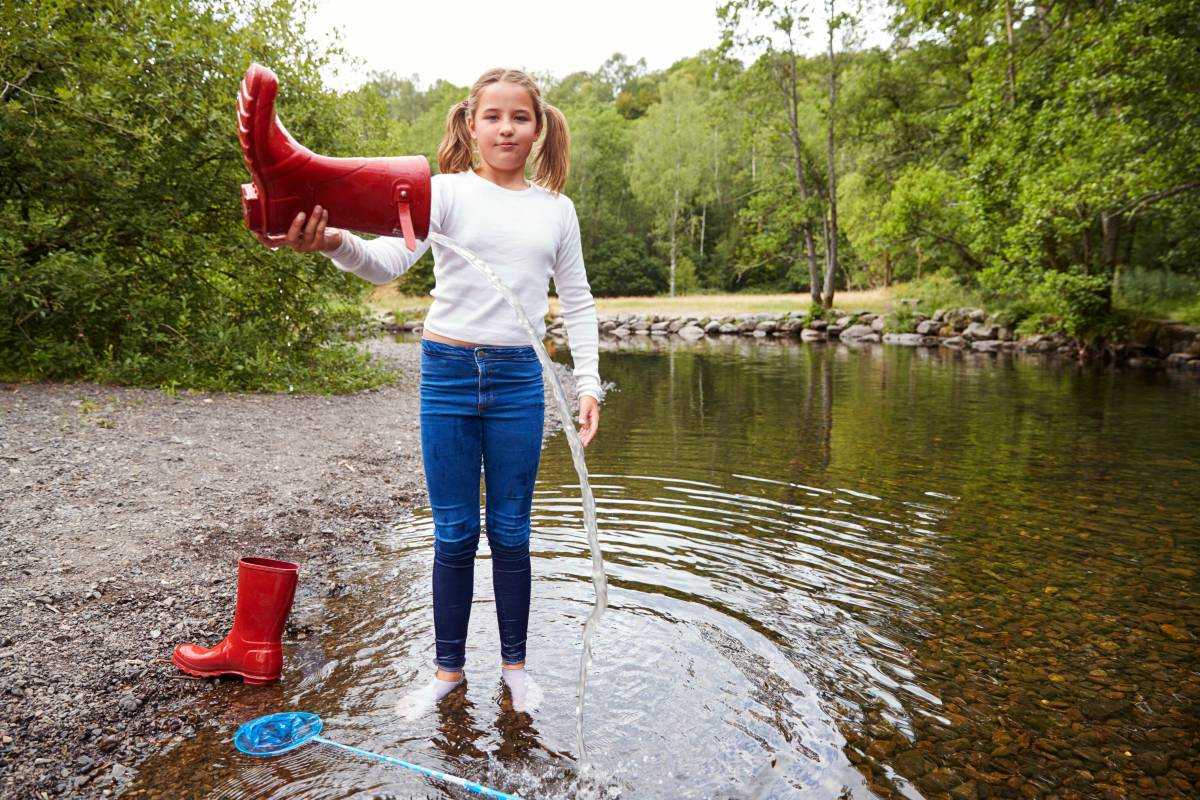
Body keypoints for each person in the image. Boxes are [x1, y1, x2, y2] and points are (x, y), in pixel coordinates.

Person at [254, 68, 602, 715]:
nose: (506, 128)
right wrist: (332, 241)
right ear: (470, 124)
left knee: (512, 532)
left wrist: (588, 384)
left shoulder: (557, 210)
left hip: (520, 380)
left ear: (539, 127)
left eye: (519, 117)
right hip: (445, 373)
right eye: (492, 116)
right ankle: (447, 674)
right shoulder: (442, 195)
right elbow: (385, 264)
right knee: (453, 533)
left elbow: (577, 302)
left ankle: (515, 673)